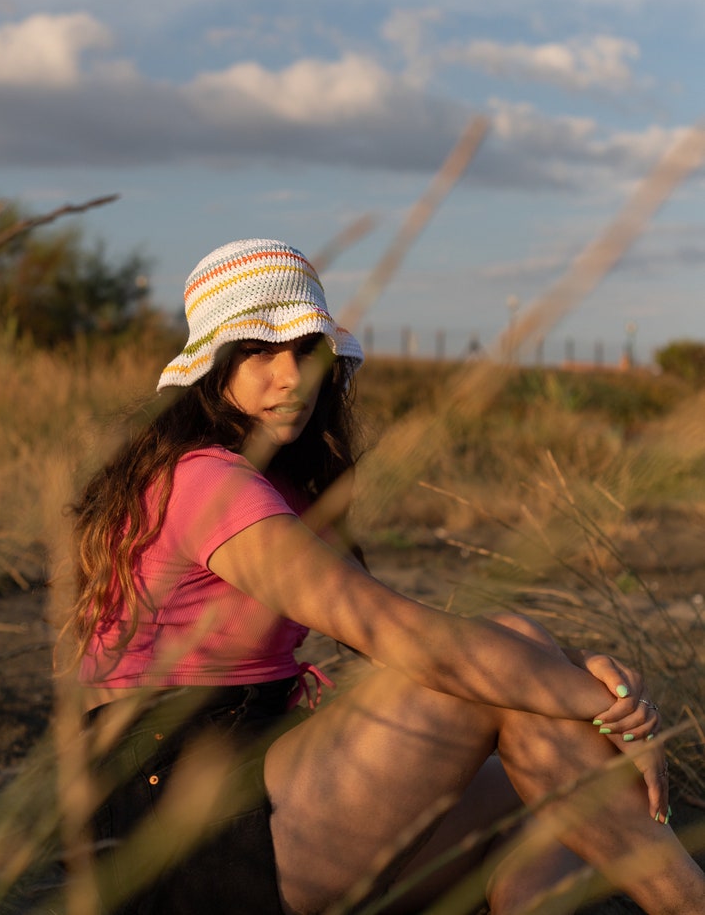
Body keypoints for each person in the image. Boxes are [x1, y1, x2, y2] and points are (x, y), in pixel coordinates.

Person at [67, 237, 705, 915]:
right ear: (212, 366)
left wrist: (570, 666)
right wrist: (613, 715)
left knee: (552, 789)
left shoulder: (278, 481)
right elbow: (404, 638)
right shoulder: (203, 481)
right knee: (508, 676)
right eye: (258, 351)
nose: (292, 376)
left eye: (307, 350)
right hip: (178, 829)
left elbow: (393, 641)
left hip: (264, 777)